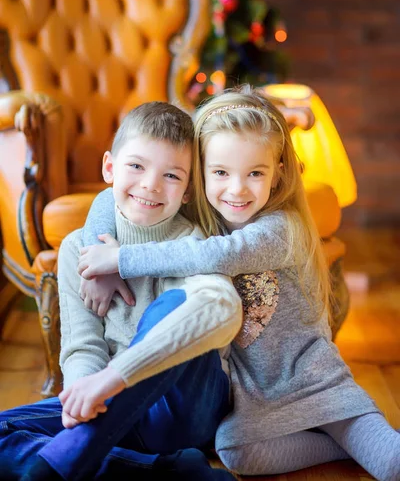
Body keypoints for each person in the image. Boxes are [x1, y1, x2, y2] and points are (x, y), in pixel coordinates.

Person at [78, 86, 400, 481]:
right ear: (200, 173)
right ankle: (344, 446)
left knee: (389, 462)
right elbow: (104, 201)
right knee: (236, 451)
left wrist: (120, 260)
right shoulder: (200, 214)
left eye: (255, 173)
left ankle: (356, 439)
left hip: (310, 376)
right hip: (251, 390)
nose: (237, 189)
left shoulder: (281, 228)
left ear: (278, 172)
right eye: (220, 173)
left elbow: (216, 256)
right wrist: (98, 259)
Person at [0, 102, 242, 481]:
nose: (150, 184)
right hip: (114, 416)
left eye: (172, 176)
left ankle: (65, 461)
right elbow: (83, 345)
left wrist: (108, 385)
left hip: (183, 410)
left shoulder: (195, 246)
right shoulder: (77, 250)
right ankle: (171, 473)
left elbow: (215, 316)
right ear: (109, 167)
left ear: (189, 190)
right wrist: (83, 395)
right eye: (136, 166)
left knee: (178, 307)